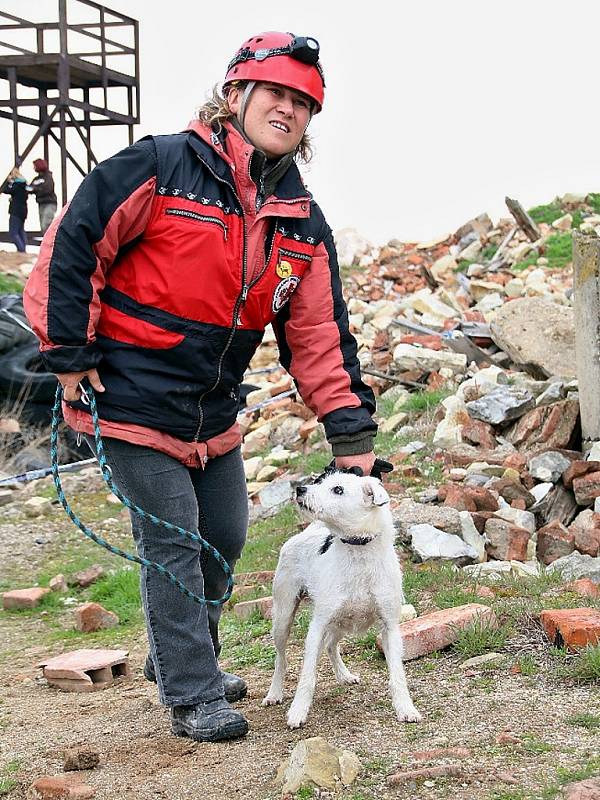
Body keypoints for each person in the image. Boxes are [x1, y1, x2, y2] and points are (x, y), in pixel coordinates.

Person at [23, 31, 378, 743]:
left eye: (303, 103)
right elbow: (72, 245)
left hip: (212, 413)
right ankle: (192, 691)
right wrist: (67, 351)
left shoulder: (301, 223)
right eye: (275, 93)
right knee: (174, 541)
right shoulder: (158, 165)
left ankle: (174, 657)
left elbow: (318, 337)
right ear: (236, 95)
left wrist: (351, 436)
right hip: (128, 399)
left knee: (224, 534)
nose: (288, 108)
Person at [27, 158, 57, 235]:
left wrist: (36, 190)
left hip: (49, 203)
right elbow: (30, 188)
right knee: (43, 226)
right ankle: (47, 243)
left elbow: (48, 189)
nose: (33, 168)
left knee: (46, 224)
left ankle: (52, 243)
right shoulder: (36, 179)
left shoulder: (48, 177)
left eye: (34, 166)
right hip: (41, 203)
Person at [1, 167, 28, 252]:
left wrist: (8, 182)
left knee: (13, 232)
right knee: (20, 231)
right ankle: (23, 249)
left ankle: (21, 250)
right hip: (23, 211)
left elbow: (5, 190)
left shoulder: (17, 185)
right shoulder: (24, 185)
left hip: (16, 210)